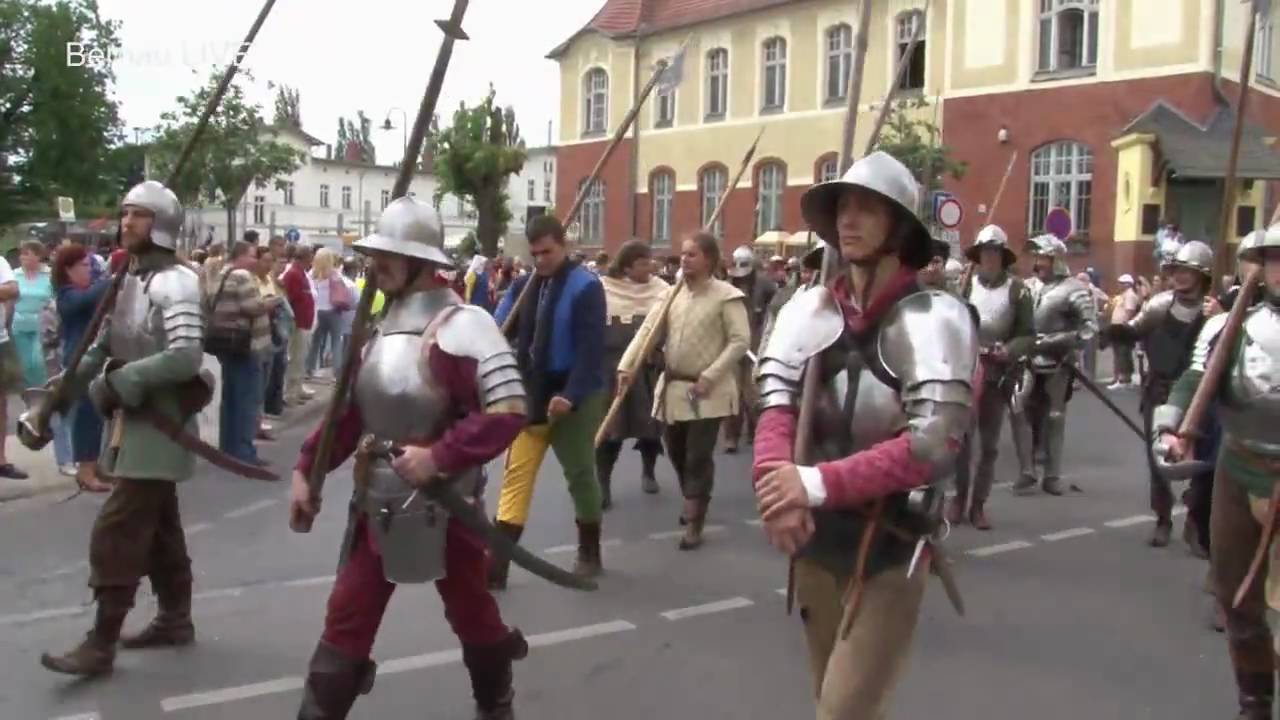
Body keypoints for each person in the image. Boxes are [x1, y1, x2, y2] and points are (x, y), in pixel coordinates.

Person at [752, 151, 978, 718]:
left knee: (843, 712)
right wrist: (777, 491)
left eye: (867, 209)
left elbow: (932, 445)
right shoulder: (809, 309)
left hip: (889, 544)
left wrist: (815, 483)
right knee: (832, 696)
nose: (849, 220)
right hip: (814, 540)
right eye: (843, 208)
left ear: (898, 227)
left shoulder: (934, 318)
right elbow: (775, 405)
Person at [288, 197, 528, 719]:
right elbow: (352, 415)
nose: (378, 265)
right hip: (374, 502)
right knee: (346, 617)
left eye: (391, 256)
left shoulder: (463, 326)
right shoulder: (379, 327)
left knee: (472, 614)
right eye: (378, 254)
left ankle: (496, 702)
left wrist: (440, 456)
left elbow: (507, 412)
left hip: (447, 504)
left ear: (423, 261)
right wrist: (308, 469)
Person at [32, 180, 207, 676]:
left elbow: (185, 356)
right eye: (125, 213)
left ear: (163, 225)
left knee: (119, 528)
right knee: (161, 531)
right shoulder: (131, 278)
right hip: (134, 421)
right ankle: (175, 618)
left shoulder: (178, 282)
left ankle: (101, 641)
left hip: (162, 423)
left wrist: (121, 382)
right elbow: (106, 343)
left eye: (139, 215)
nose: (126, 222)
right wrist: (64, 386)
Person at [1155, 222, 1280, 720]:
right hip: (1239, 467)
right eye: (1273, 259)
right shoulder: (1237, 325)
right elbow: (1195, 378)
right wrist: (1173, 423)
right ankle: (1255, 706)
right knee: (1236, 598)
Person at [490, 215, 607, 588]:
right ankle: (499, 562)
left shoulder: (586, 286)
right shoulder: (524, 285)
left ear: (564, 246)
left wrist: (571, 396)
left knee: (579, 474)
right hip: (532, 393)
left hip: (575, 393)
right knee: (515, 476)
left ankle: (589, 550)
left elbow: (592, 351)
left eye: (548, 252)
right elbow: (500, 325)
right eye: (535, 252)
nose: (540, 259)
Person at [619, 233, 750, 549]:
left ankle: (695, 521)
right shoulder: (671, 295)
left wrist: (711, 375)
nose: (684, 259)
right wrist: (627, 366)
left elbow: (740, 340)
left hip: (708, 391)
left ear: (709, 259)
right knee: (677, 453)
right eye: (683, 254)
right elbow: (648, 333)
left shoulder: (726, 296)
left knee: (697, 456)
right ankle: (693, 496)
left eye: (692, 254)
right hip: (674, 389)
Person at [1103, 241, 1213, 548]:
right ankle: (1163, 518)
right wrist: (1111, 332)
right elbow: (1133, 330)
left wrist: (1222, 316)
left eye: (1187, 271)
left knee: (1203, 460)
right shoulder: (1159, 305)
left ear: (1201, 276)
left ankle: (1195, 515)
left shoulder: (1211, 311)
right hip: (1160, 390)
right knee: (1159, 459)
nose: (1178, 276)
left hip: (1197, 393)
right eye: (1176, 270)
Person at [950, 225, 1035, 530]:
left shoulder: (1018, 290)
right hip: (965, 370)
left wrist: (1009, 350)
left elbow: (1028, 335)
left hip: (997, 374)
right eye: (984, 252)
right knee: (960, 440)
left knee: (988, 444)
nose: (989, 258)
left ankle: (978, 504)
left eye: (994, 252)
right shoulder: (965, 285)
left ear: (1002, 256)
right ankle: (958, 498)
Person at [1011, 235, 1098, 496]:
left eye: (1045, 258)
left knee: (1055, 416)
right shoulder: (1027, 286)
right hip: (1026, 359)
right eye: (1037, 258)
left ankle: (1052, 475)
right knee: (1017, 406)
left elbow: (1089, 328)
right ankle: (1027, 469)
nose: (1039, 263)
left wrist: (1054, 342)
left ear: (1057, 260)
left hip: (1058, 362)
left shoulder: (1074, 289)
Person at [597, 240, 669, 507]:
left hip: (648, 367)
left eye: (649, 260)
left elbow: (669, 324)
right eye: (641, 262)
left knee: (650, 427)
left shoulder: (662, 290)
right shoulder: (604, 288)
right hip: (612, 368)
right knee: (611, 428)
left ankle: (648, 471)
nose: (648, 266)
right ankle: (602, 482)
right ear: (627, 266)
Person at [51, 244, 113, 492]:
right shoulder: (67, 294)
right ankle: (85, 471)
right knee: (86, 416)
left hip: (91, 360)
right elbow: (87, 299)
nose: (90, 270)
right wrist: (114, 277)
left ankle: (94, 465)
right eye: (85, 266)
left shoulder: (84, 291)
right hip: (78, 362)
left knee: (96, 414)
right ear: (68, 269)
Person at [724, 245, 776, 454]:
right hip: (732, 343)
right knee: (732, 393)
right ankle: (731, 437)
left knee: (753, 393)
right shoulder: (727, 287)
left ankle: (756, 432)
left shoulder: (765, 286)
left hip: (756, 342)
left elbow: (776, 309)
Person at [281, 245, 316, 405]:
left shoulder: (300, 273)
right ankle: (290, 394)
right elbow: (290, 299)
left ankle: (297, 388)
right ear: (304, 258)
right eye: (310, 258)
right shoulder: (293, 274)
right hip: (298, 323)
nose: (312, 262)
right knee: (296, 358)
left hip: (305, 323)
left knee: (300, 359)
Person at [305, 248, 347, 379]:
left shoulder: (312, 274)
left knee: (315, 341)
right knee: (336, 341)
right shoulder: (335, 274)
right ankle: (337, 373)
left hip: (317, 311)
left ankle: (309, 369)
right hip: (334, 311)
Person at [1108, 274, 1142, 387]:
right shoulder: (1122, 295)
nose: (1120, 285)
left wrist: (1125, 323)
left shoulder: (1130, 295)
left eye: (1122, 283)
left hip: (1123, 327)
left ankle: (1124, 378)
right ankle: (1119, 377)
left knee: (1123, 352)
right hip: (1117, 326)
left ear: (1128, 284)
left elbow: (1130, 310)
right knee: (1118, 352)